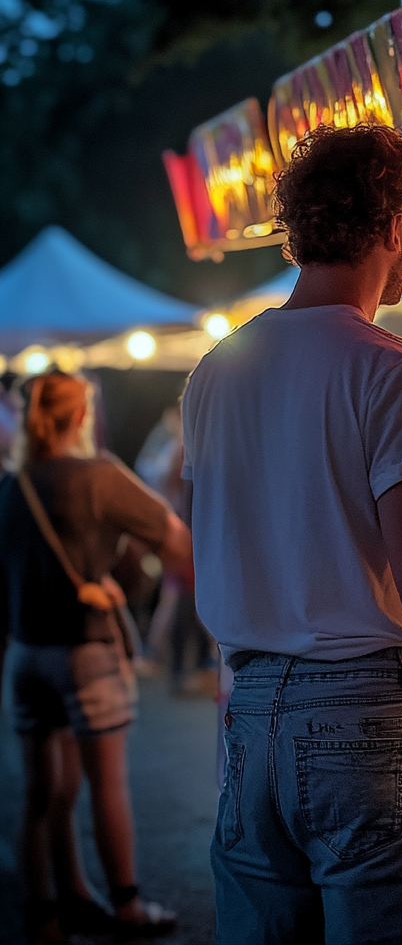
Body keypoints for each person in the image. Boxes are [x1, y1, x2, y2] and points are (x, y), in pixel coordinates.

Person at [181, 123, 402, 945]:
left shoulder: (217, 370)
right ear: (396, 227)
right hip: (365, 715)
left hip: (249, 710)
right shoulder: (396, 369)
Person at [0, 370, 193, 943]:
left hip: (26, 654)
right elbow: (175, 541)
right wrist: (119, 561)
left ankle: (50, 910)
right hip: (85, 649)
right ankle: (128, 906)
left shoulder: (12, 486)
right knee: (104, 780)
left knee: (43, 792)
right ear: (82, 415)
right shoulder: (99, 476)